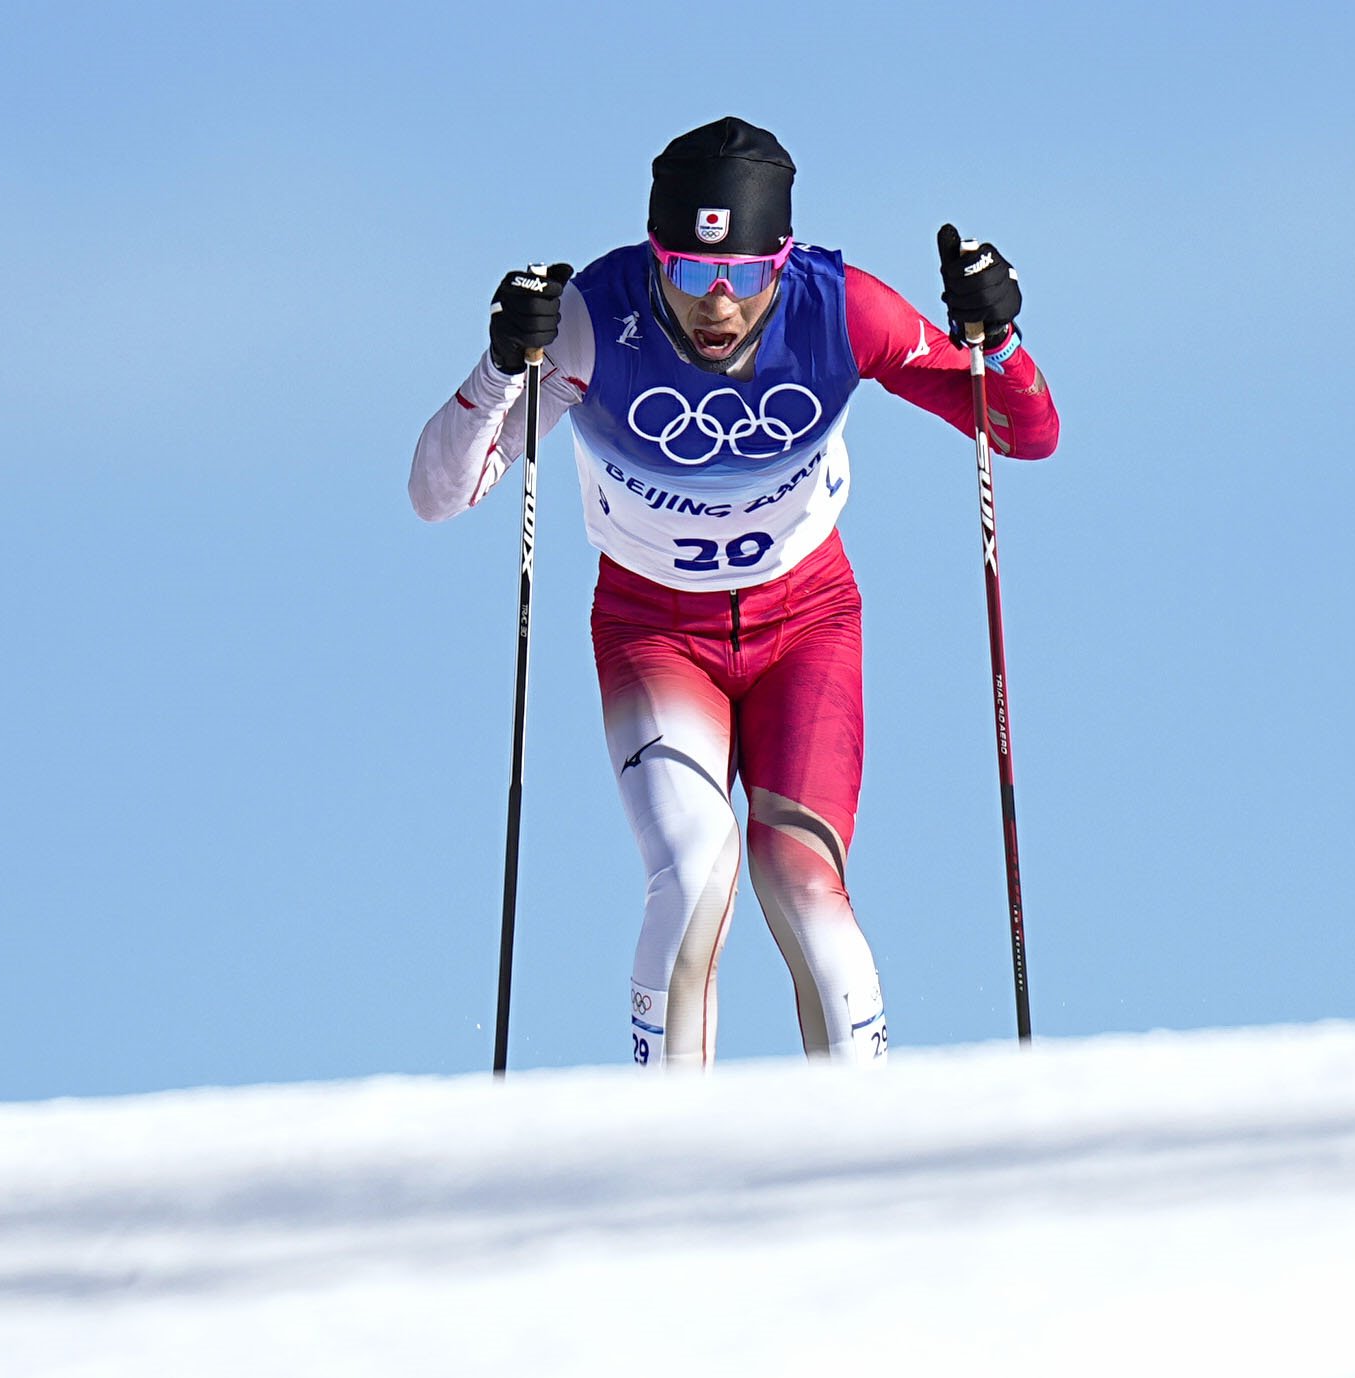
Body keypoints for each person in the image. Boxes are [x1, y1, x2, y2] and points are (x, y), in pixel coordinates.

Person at [410, 116, 1059, 1069]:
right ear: (652, 257)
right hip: (653, 633)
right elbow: (438, 496)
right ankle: (671, 1160)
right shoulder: (593, 322)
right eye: (687, 270)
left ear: (781, 261)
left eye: (747, 276)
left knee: (798, 876)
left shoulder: (842, 312)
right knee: (695, 872)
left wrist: (994, 340)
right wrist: (503, 367)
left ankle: (862, 1148)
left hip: (808, 625)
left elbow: (1024, 431)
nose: (718, 302)